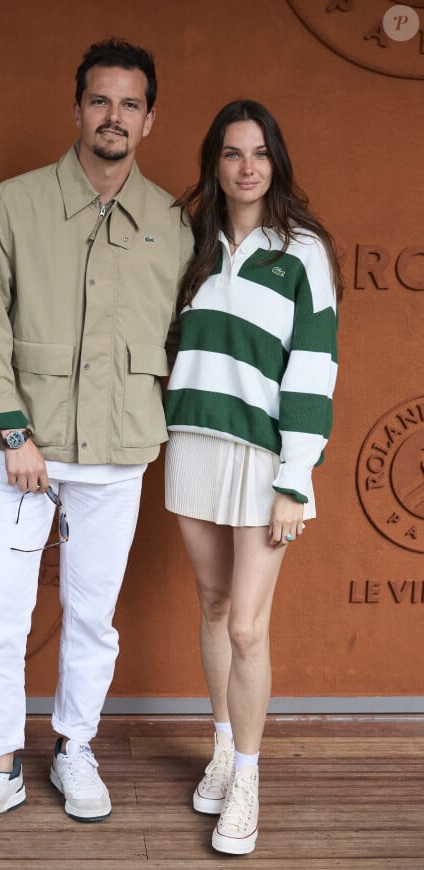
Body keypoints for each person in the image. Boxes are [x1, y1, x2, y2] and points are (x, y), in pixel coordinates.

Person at [0, 38, 192, 834]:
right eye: (101, 101)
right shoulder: (12, 205)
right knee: (0, 617)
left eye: (131, 104)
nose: (114, 117)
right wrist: (13, 435)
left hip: (117, 457)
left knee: (92, 617)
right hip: (20, 454)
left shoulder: (174, 224)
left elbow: (185, 339)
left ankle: (75, 747)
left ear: (149, 120)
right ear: (76, 109)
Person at [164, 99, 341, 855]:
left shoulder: (302, 250)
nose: (246, 167)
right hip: (192, 443)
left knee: (246, 625)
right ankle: (222, 748)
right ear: (214, 162)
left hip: (265, 455)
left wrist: (295, 479)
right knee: (210, 605)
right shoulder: (185, 243)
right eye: (233, 153)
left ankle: (247, 779)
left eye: (260, 153)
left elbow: (315, 368)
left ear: (277, 162)